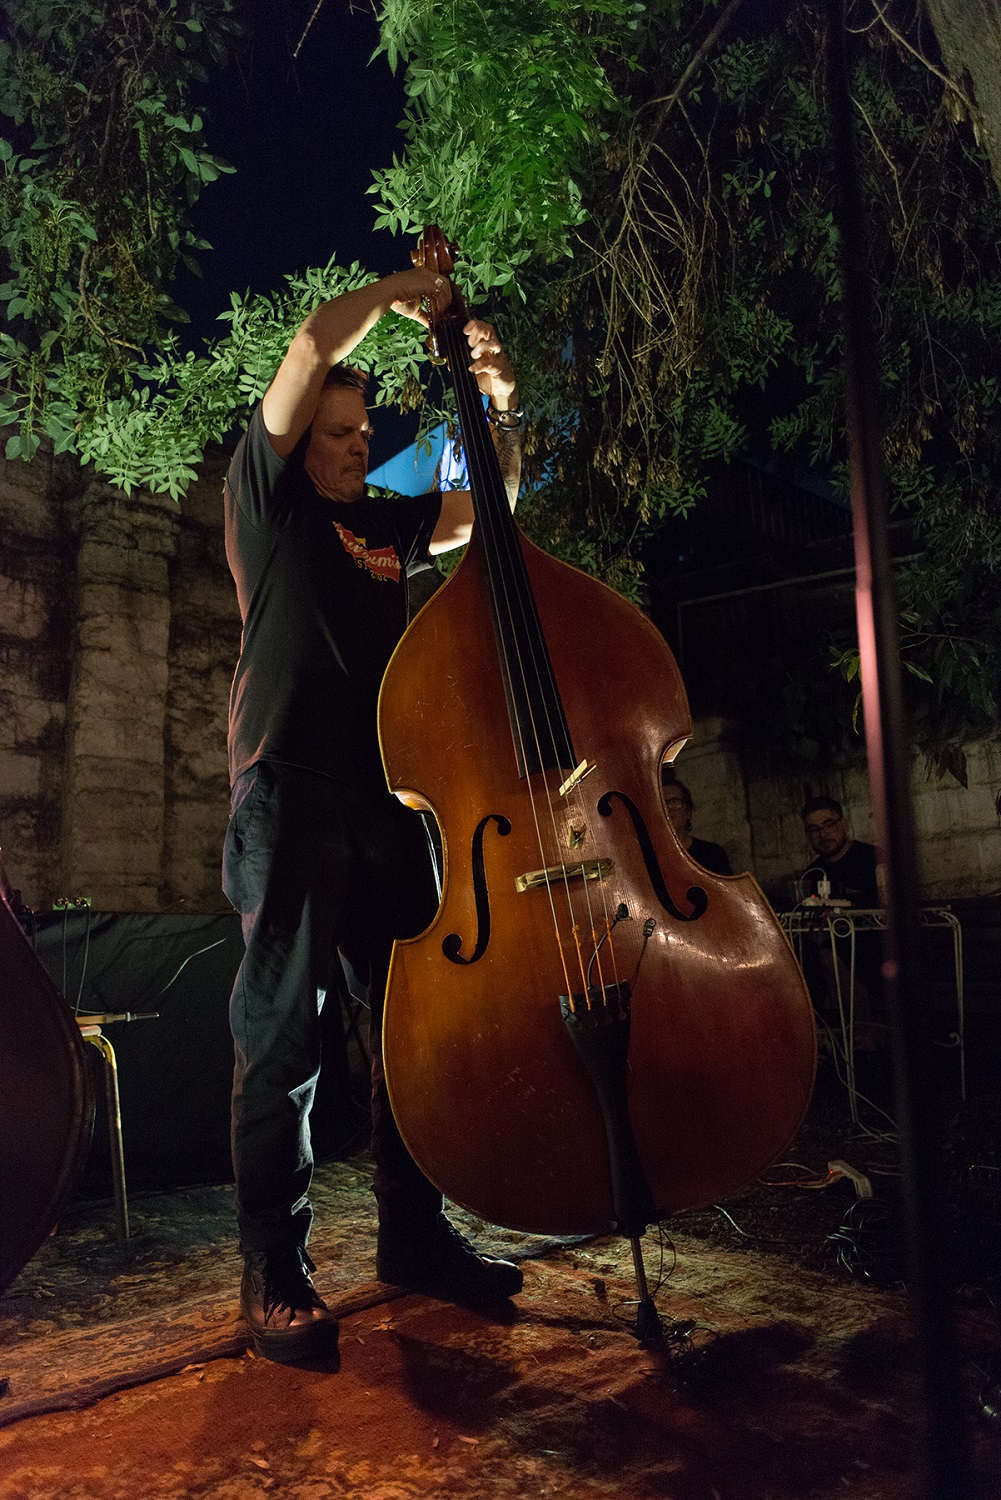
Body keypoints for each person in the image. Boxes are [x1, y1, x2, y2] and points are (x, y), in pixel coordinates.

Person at [222, 267, 525, 1363]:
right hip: (286, 786)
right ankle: (275, 1268)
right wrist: (406, 288)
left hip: (384, 797)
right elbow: (307, 344)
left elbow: (491, 503)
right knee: (285, 1038)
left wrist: (494, 391)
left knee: (410, 1026)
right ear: (302, 442)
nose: (355, 444)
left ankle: (415, 1237)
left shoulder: (390, 528)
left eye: (362, 432)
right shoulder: (270, 500)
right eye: (339, 431)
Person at [800, 797, 881, 906]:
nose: (822, 834)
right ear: (808, 834)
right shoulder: (811, 876)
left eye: (829, 825)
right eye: (814, 829)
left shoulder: (875, 860)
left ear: (844, 824)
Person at [661, 774, 733, 876]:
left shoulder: (712, 853)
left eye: (675, 802)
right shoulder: (648, 857)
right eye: (662, 803)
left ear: (688, 812)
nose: (668, 809)